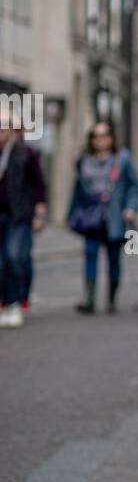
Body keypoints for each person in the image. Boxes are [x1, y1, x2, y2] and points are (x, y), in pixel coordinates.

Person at [67, 120, 138, 314]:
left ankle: (111, 299)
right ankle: (90, 299)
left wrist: (130, 207)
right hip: (91, 217)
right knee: (90, 254)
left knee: (113, 259)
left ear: (111, 138)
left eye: (104, 136)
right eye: (96, 136)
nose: (100, 140)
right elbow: (77, 189)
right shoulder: (83, 160)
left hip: (114, 217)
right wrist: (71, 214)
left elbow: (134, 185)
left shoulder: (122, 159)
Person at [0, 117, 47, 328]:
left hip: (19, 215)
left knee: (15, 256)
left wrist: (39, 212)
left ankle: (15, 302)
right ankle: (7, 301)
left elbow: (39, 184)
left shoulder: (25, 152)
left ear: (12, 130)